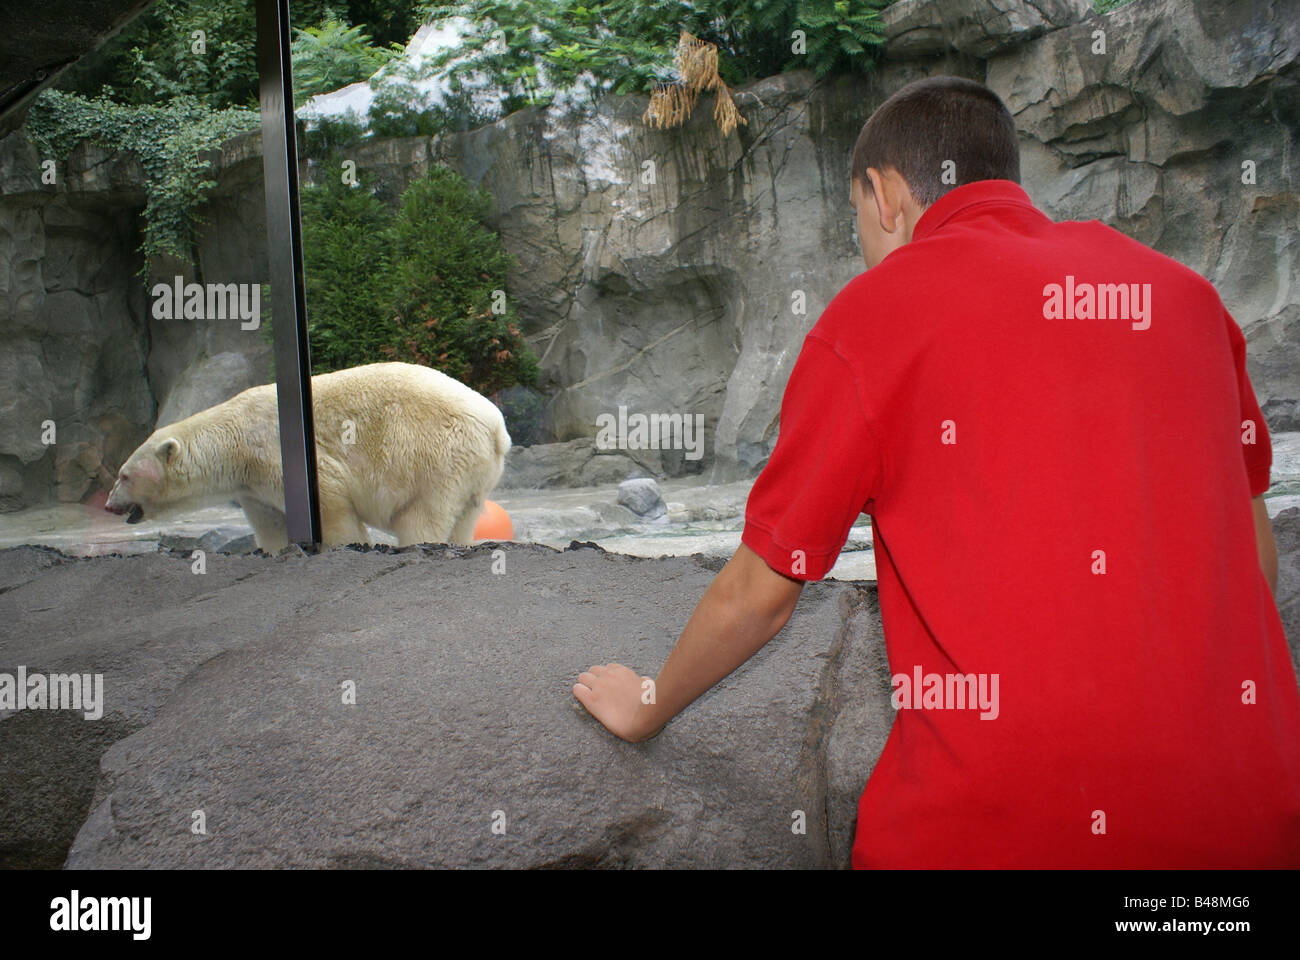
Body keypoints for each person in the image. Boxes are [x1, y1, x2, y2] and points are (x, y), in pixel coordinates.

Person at [572, 75, 1300, 867]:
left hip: (1005, 829)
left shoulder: (875, 315)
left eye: (859, 219)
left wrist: (648, 704)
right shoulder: (1186, 298)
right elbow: (1250, 552)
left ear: (883, 195)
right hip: (1251, 816)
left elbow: (762, 592)